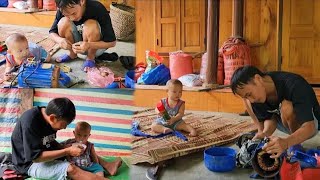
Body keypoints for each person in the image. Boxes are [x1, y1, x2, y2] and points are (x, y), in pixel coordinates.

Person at [10, 97, 119, 180]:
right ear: (52, 118)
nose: (65, 127)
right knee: (71, 168)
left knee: (82, 148)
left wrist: (63, 147)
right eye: (64, 124)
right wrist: (66, 151)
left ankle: (107, 165)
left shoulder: (48, 114)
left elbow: (48, 140)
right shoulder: (30, 122)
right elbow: (36, 158)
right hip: (30, 164)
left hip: (44, 152)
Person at [230, 65, 320, 158]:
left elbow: (309, 127)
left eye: (249, 94)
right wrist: (265, 133)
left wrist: (286, 142)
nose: (252, 100)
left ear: (258, 79)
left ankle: (295, 145)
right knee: (247, 101)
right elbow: (270, 119)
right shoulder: (258, 92)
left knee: (287, 107)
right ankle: (261, 133)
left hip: (311, 123)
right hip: (285, 121)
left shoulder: (295, 85)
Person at [49, 0, 117, 72]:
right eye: (67, 15)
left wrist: (89, 45)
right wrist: (60, 40)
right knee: (63, 22)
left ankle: (91, 58)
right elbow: (52, 32)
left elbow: (112, 43)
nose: (72, 18)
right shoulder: (63, 7)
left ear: (82, 1)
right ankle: (72, 54)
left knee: (91, 24)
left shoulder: (97, 8)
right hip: (76, 47)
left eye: (74, 13)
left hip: (95, 47)